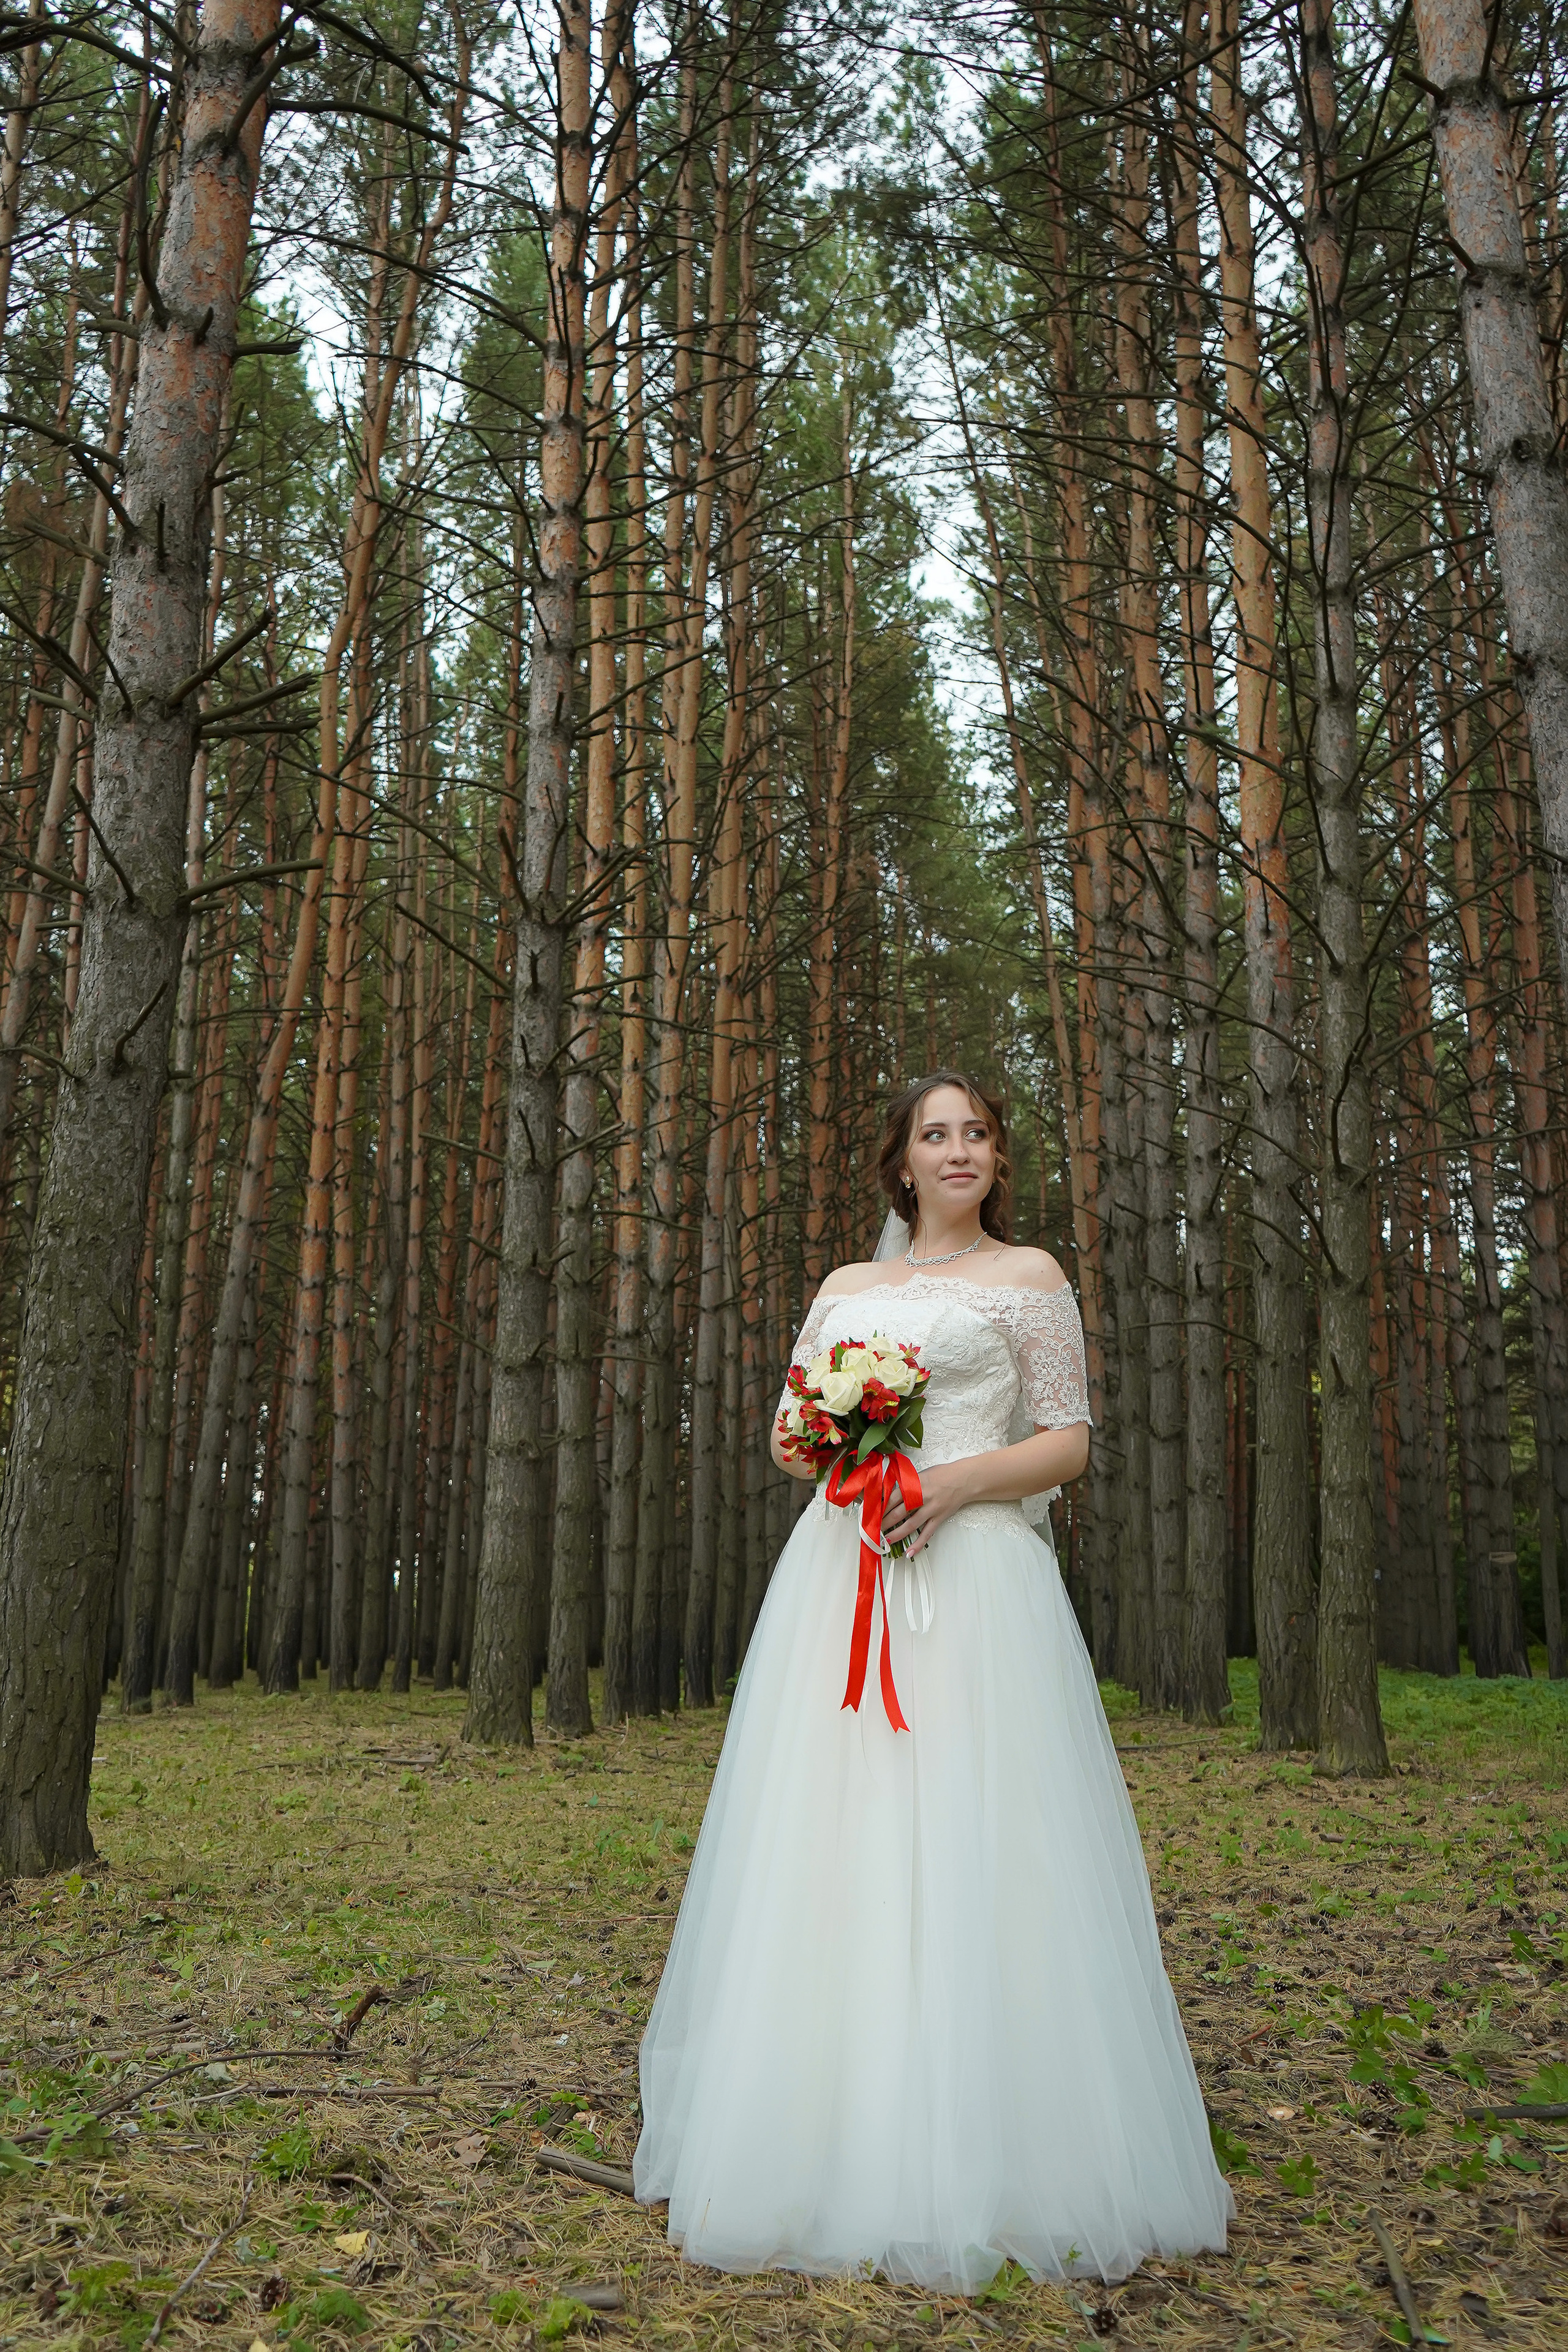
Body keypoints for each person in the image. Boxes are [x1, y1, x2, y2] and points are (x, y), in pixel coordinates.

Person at [633, 1072, 1231, 2290]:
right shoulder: (847, 1291)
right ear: (898, 1162)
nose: (958, 1150)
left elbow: (1065, 1438)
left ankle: (997, 2146)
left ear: (993, 1159)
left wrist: (954, 1483)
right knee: (836, 1833)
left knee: (983, 1835)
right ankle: (825, 2135)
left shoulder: (1030, 1279)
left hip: (979, 1588)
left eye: (976, 1133)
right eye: (933, 1134)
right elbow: (786, 1437)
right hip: (840, 1579)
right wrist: (844, 1436)